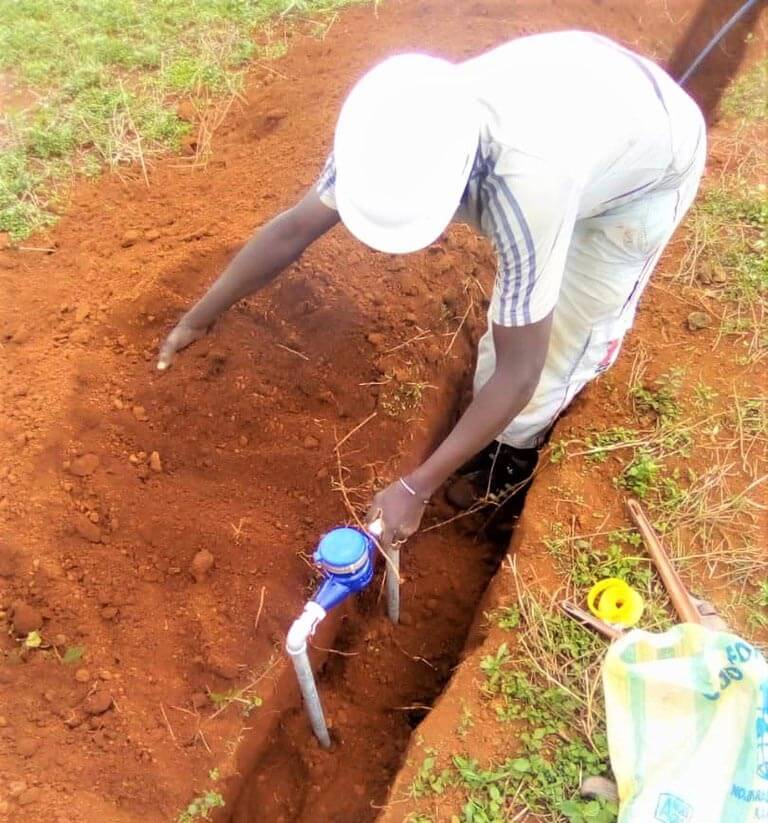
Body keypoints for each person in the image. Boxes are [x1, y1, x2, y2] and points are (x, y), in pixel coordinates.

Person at [157, 30, 706, 548]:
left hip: (644, 167)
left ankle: (509, 464)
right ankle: (488, 440)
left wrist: (416, 487)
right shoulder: (389, 132)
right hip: (583, 93)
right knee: (507, 334)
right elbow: (294, 228)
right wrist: (199, 316)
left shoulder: (528, 189)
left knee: (562, 341)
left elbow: (522, 369)